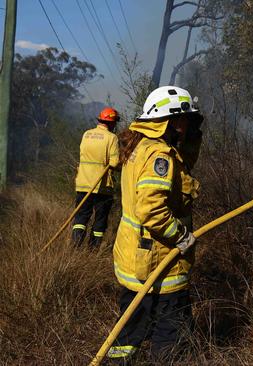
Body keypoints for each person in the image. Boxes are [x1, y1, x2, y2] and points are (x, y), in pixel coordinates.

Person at [106, 86, 203, 364]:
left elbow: (184, 165)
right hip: (159, 262)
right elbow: (151, 210)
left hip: (134, 260)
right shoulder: (160, 156)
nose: (185, 126)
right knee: (171, 334)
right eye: (183, 120)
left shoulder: (141, 145)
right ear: (169, 120)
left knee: (129, 332)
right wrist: (182, 236)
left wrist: (194, 135)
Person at [72, 107, 120, 247]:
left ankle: (75, 248)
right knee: (100, 219)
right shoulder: (112, 138)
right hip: (102, 186)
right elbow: (115, 162)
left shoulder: (86, 134)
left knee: (81, 217)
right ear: (111, 123)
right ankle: (92, 250)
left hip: (83, 183)